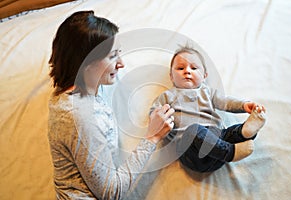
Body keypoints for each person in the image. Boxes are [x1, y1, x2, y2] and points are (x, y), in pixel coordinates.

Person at [48, 11, 175, 199]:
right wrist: (152, 137)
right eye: (113, 56)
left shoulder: (75, 92)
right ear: (86, 63)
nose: (121, 64)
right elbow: (111, 192)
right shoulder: (79, 115)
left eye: (119, 54)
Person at [150, 45, 266, 173]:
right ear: (171, 76)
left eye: (194, 68)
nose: (187, 71)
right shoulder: (168, 96)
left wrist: (244, 105)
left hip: (217, 141)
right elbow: (154, 113)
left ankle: (245, 132)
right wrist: (156, 120)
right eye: (180, 68)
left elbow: (225, 102)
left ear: (204, 75)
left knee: (229, 132)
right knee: (194, 130)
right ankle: (229, 151)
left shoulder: (207, 92)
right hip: (191, 151)